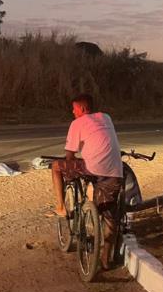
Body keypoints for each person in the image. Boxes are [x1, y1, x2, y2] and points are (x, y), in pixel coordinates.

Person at [50, 93, 123, 263]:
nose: (72, 111)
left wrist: (72, 165)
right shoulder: (106, 117)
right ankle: (105, 257)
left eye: (74, 109)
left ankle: (61, 207)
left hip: (91, 169)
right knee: (110, 215)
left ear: (82, 109)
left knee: (55, 167)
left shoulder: (77, 123)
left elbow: (69, 156)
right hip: (115, 173)